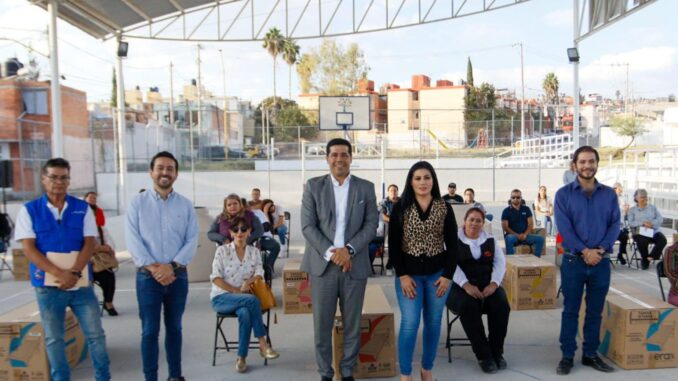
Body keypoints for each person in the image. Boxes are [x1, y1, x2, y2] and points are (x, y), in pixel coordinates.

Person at [14, 158, 111, 381]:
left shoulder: (82, 208)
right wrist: (61, 274)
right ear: (43, 179)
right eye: (54, 177)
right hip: (48, 287)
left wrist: (75, 273)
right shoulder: (29, 211)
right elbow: (29, 249)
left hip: (81, 285)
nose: (59, 182)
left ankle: (103, 377)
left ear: (69, 180)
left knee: (96, 335)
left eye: (64, 177)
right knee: (54, 339)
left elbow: (89, 243)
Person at [301, 138, 378, 381]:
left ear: (351, 158)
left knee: (352, 325)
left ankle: (347, 372)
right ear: (327, 158)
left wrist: (350, 250)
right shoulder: (313, 187)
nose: (339, 159)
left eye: (344, 154)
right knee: (322, 327)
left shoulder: (366, 187)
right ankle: (325, 373)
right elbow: (307, 226)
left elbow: (371, 224)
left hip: (354, 266)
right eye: (334, 155)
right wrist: (334, 253)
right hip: (323, 267)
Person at [126, 151, 199, 381]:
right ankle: (151, 377)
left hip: (178, 276)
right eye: (160, 168)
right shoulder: (137, 204)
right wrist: (154, 268)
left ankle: (175, 376)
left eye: (170, 168)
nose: (165, 172)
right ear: (151, 172)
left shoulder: (186, 205)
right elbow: (133, 240)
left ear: (176, 174)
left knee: (175, 329)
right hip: (147, 279)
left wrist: (172, 266)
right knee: (149, 331)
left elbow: (192, 240)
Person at [388, 161, 458, 381]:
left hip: (438, 275)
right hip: (409, 276)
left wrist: (448, 276)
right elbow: (394, 245)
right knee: (410, 323)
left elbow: (453, 245)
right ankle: (406, 374)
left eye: (427, 177)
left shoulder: (443, 207)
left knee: (434, 323)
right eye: (417, 178)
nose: (423, 182)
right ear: (411, 181)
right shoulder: (401, 207)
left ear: (433, 180)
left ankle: (427, 369)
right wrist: (402, 276)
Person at [554, 146, 619, 375]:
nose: (587, 166)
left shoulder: (609, 195)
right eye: (582, 162)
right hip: (574, 262)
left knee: (595, 312)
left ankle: (590, 355)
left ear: (597, 164)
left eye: (591, 161)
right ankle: (567, 356)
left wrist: (599, 250)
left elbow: (614, 225)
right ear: (575, 165)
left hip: (600, 263)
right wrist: (585, 252)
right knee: (570, 310)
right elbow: (565, 229)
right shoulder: (563, 195)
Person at [210, 216, 280, 373]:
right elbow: (215, 278)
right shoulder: (222, 251)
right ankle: (263, 343)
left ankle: (241, 357)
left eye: (243, 229)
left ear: (249, 232)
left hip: (245, 301)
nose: (239, 232)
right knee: (252, 301)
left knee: (246, 312)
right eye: (235, 229)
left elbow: (260, 273)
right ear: (230, 232)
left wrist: (248, 282)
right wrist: (237, 290)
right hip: (222, 298)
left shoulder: (254, 252)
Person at [450, 207, 509, 374]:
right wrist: (466, 285)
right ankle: (483, 355)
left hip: (487, 285)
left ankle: (497, 352)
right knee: (468, 307)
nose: (474, 224)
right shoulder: (453, 239)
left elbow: (500, 263)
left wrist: (494, 283)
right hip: (460, 287)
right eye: (471, 220)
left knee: (501, 305)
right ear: (465, 221)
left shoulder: (490, 240)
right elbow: (450, 265)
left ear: (483, 224)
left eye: (478, 221)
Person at [628, 189, 667, 270]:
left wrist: (651, 223)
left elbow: (660, 219)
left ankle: (650, 257)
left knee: (662, 239)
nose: (645, 199)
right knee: (642, 240)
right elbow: (631, 222)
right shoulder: (632, 210)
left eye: (646, 197)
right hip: (639, 231)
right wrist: (643, 223)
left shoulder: (652, 208)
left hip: (653, 231)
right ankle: (644, 259)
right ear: (636, 198)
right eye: (642, 197)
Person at [501, 189, 545, 257]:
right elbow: (505, 227)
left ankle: (536, 259)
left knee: (541, 239)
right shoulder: (506, 211)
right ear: (510, 198)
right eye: (513, 197)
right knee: (508, 239)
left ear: (521, 198)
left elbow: (530, 224)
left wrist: (524, 234)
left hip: (525, 236)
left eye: (518, 197)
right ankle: (511, 261)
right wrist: (517, 235)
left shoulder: (526, 209)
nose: (516, 199)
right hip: (513, 236)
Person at [254, 199, 282, 272]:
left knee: (275, 246)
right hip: (250, 238)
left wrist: (265, 211)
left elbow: (268, 226)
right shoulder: (246, 213)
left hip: (263, 237)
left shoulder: (261, 213)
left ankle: (268, 267)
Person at [613, 183, 630, 265]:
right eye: (620, 190)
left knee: (624, 236)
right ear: (615, 189)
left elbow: (625, 214)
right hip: (611, 227)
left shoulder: (623, 199)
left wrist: (626, 210)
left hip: (620, 226)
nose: (621, 192)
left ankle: (620, 254)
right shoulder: (609, 199)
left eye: (621, 190)